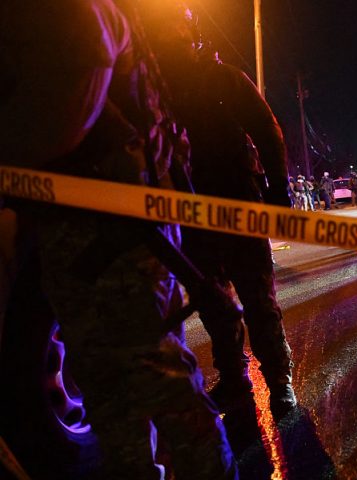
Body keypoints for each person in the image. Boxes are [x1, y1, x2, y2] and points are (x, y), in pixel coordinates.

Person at [0, 0, 237, 477]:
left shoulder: (76, 12)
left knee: (159, 381)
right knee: (108, 392)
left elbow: (65, 115)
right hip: (81, 229)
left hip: (116, 234)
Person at [137, 0, 299, 429]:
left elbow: (267, 130)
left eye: (177, 30)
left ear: (192, 33)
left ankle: (278, 380)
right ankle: (234, 379)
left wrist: (279, 189)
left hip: (239, 202)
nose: (171, 40)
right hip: (190, 213)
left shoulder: (224, 78)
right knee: (214, 303)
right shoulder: (156, 92)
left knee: (257, 298)